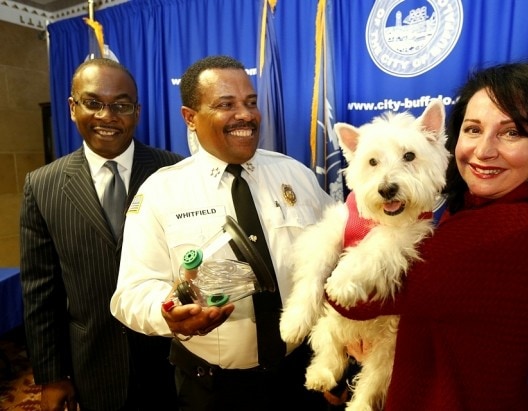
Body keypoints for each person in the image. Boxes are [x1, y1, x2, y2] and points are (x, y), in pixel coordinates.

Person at [329, 61, 528, 410]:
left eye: (511, 132)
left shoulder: (510, 228)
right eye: (473, 129)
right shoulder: (473, 209)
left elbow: (355, 299)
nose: (484, 150)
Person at [110, 55, 335, 410]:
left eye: (250, 103)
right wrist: (168, 313)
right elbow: (130, 294)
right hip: (214, 391)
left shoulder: (296, 175)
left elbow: (340, 247)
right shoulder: (160, 192)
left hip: (299, 376)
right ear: (190, 118)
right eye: (225, 105)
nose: (245, 115)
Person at [20, 58, 183, 411]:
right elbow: (40, 292)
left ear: (136, 112)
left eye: (121, 105)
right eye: (93, 103)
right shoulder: (42, 185)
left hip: (171, 361)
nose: (107, 116)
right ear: (72, 107)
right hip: (92, 367)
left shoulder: (174, 172)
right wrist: (52, 375)